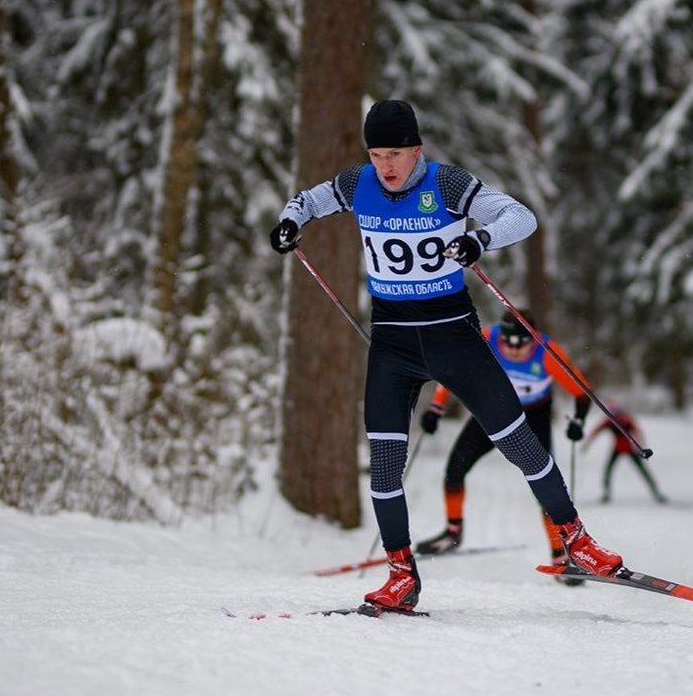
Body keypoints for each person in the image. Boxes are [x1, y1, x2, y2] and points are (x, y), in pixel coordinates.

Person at [269, 99, 625, 612]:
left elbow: (519, 217)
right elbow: (306, 201)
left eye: (395, 153)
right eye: (376, 154)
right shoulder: (357, 184)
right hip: (392, 342)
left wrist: (480, 239)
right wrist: (287, 222)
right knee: (385, 467)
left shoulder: (447, 184)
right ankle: (401, 576)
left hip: (452, 336)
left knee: (520, 445)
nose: (385, 166)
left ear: (417, 150)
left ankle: (578, 542)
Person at [415, 309, 591, 581]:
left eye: (521, 343)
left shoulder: (547, 352)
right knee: (455, 468)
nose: (513, 349)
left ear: (532, 339)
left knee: (545, 485)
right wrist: (436, 408)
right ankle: (453, 531)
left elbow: (581, 391)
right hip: (493, 411)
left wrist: (578, 421)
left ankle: (560, 553)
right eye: (508, 342)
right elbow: (455, 371)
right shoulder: (487, 340)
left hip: (534, 416)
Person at [587, 404, 667, 504]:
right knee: (640, 471)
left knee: (610, 471)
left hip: (628, 449)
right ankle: (606, 494)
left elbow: (637, 432)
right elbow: (597, 430)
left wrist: (588, 443)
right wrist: (642, 446)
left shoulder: (621, 420)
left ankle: (656, 493)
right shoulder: (615, 420)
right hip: (620, 449)